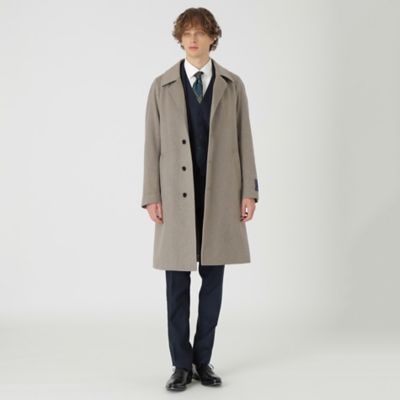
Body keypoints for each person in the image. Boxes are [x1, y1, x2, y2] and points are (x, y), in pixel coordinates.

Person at [141, 7, 259, 391]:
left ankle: (202, 360)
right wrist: (151, 195)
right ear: (179, 38)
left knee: (213, 284)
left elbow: (244, 139)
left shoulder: (232, 85)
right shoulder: (161, 86)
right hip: (174, 199)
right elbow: (152, 146)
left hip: (220, 196)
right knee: (176, 285)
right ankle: (180, 365)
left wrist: (249, 190)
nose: (193, 39)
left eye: (200, 32)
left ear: (212, 37)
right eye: (186, 33)